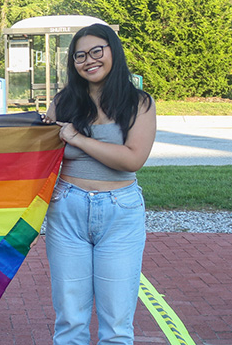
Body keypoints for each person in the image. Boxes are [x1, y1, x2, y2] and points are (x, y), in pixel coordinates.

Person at [41, 23, 156, 344]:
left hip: (120, 213)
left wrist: (76, 138)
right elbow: (45, 155)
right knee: (70, 322)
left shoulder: (139, 103)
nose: (88, 60)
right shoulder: (63, 102)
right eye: (80, 56)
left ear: (112, 52)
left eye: (96, 51)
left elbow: (132, 159)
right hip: (67, 210)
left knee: (117, 325)